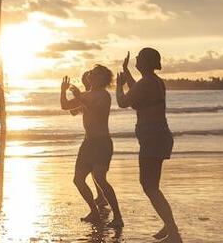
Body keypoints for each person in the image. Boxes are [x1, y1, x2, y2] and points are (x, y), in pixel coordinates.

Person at [116, 48, 180, 243]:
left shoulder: (146, 83)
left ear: (144, 61)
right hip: (159, 136)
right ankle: (169, 226)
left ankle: (174, 233)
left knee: (149, 186)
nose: (135, 58)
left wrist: (119, 85)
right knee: (153, 186)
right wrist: (126, 71)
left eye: (138, 57)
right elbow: (137, 91)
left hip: (153, 139)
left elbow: (123, 102)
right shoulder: (154, 81)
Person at [61, 65, 123, 228]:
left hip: (102, 142)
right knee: (78, 179)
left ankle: (118, 217)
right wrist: (63, 91)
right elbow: (65, 106)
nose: (90, 74)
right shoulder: (86, 95)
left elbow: (96, 111)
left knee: (100, 178)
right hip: (88, 143)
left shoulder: (104, 96)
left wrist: (80, 97)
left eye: (93, 73)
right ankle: (94, 212)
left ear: (101, 78)